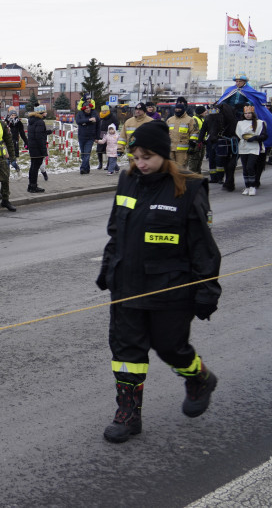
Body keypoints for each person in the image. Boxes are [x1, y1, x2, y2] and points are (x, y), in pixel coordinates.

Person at [96, 120, 221, 444]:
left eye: (147, 156)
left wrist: (207, 289)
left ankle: (200, 378)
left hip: (170, 288)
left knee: (170, 348)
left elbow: (203, 246)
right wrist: (108, 267)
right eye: (135, 156)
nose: (140, 163)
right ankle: (128, 413)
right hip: (127, 285)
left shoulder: (189, 188)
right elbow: (116, 230)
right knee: (126, 351)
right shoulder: (127, 180)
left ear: (163, 154)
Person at [235, 104, 267, 196]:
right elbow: (237, 135)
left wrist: (255, 138)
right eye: (246, 113)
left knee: (250, 166)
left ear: (253, 113)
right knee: (245, 168)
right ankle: (247, 186)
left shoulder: (260, 123)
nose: (247, 115)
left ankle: (252, 186)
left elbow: (264, 135)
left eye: (249, 113)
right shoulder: (240, 123)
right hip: (243, 147)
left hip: (254, 147)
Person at [26, 105, 52, 192]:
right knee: (35, 168)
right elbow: (39, 137)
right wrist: (44, 151)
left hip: (32, 147)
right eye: (45, 112)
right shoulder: (40, 122)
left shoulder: (32, 121)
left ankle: (30, 185)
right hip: (37, 148)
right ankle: (33, 186)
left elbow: (37, 133)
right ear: (41, 113)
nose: (46, 113)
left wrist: (47, 132)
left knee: (33, 167)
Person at [213, 102, 239, 191]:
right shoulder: (225, 99)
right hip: (223, 138)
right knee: (224, 162)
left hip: (235, 109)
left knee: (231, 165)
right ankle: (229, 181)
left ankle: (230, 181)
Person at [118, 103, 152, 168]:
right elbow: (123, 137)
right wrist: (120, 149)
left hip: (145, 155)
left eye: (140, 110)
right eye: (136, 109)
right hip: (132, 155)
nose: (137, 111)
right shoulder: (128, 122)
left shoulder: (150, 122)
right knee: (133, 172)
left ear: (144, 111)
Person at [166, 102, 196, 169]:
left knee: (181, 168)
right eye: (176, 109)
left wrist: (192, 145)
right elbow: (165, 132)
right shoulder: (170, 120)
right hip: (171, 149)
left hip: (182, 151)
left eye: (179, 109)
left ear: (183, 110)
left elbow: (194, 133)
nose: (177, 111)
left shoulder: (190, 120)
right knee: (171, 168)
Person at [75, 98, 100, 174]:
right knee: (83, 154)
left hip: (90, 137)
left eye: (89, 108)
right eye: (86, 108)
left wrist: (97, 137)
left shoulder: (94, 113)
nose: (88, 109)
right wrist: (89, 120)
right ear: (83, 109)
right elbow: (78, 121)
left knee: (87, 153)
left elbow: (98, 125)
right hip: (81, 137)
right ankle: (87, 169)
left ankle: (82, 168)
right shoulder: (80, 114)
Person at [97, 105, 120, 170]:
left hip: (109, 135)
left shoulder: (112, 116)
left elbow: (116, 124)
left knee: (108, 150)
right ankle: (100, 163)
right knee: (99, 150)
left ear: (108, 110)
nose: (104, 112)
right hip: (101, 134)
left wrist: (112, 132)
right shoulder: (100, 117)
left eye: (105, 110)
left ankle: (109, 164)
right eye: (103, 111)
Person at [187, 105, 208, 174]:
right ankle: (192, 176)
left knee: (199, 161)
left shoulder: (202, 119)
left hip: (201, 143)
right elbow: (194, 132)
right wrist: (192, 144)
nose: (206, 112)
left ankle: (198, 176)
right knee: (194, 161)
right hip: (196, 143)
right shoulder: (194, 119)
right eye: (204, 111)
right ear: (201, 112)